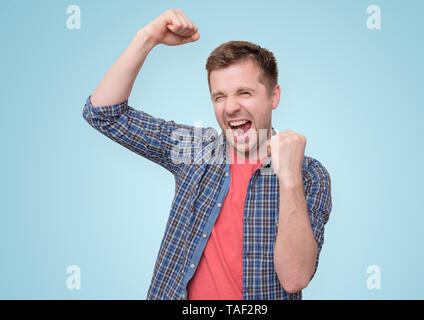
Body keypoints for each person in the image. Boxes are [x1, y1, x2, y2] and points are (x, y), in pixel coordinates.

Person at [82, 9, 332, 300]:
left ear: (273, 96)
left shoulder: (309, 174)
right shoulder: (194, 149)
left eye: (244, 93)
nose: (230, 107)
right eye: (220, 96)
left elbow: (295, 278)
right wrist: (147, 38)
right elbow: (104, 115)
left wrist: (289, 180)